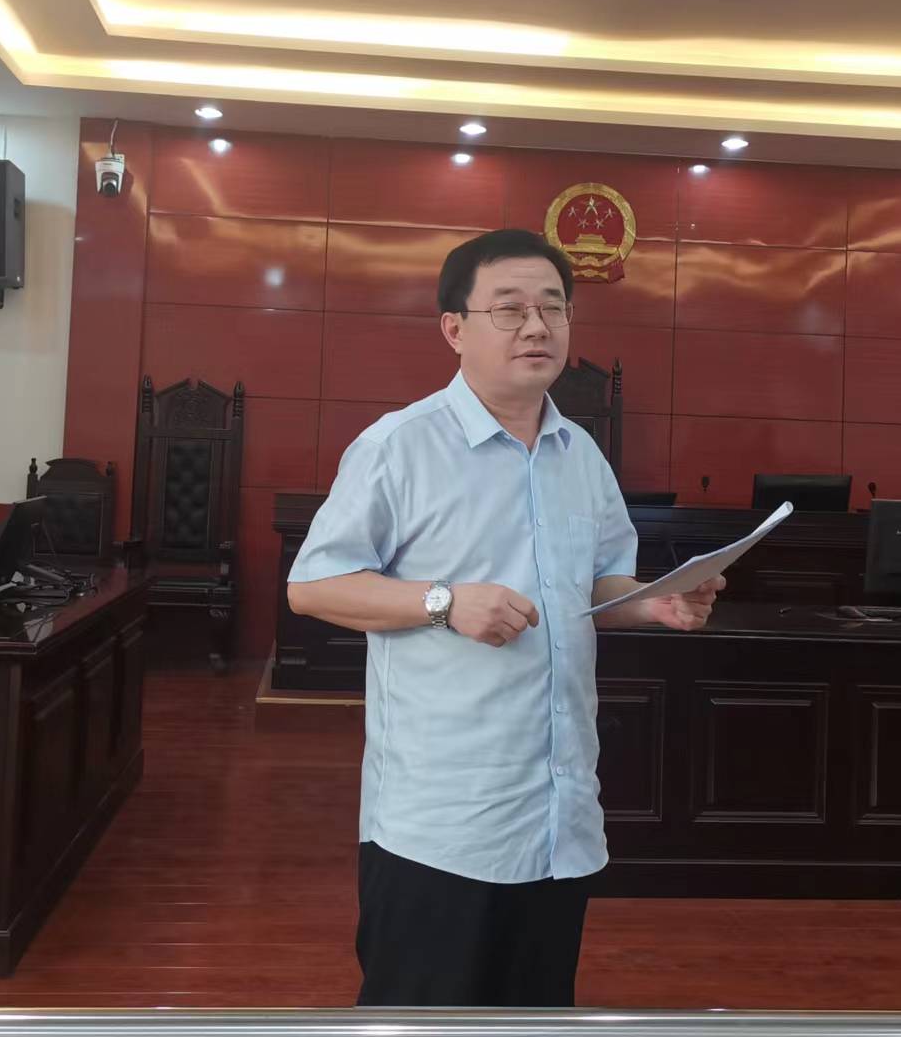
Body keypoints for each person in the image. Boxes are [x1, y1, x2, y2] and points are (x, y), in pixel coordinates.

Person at [286, 227, 723, 1007]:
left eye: (553, 308)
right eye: (510, 309)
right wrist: (444, 603)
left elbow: (589, 588)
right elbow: (313, 587)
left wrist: (652, 602)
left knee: (535, 1016)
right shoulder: (399, 447)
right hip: (440, 822)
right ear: (454, 328)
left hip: (557, 814)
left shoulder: (580, 455)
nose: (536, 326)